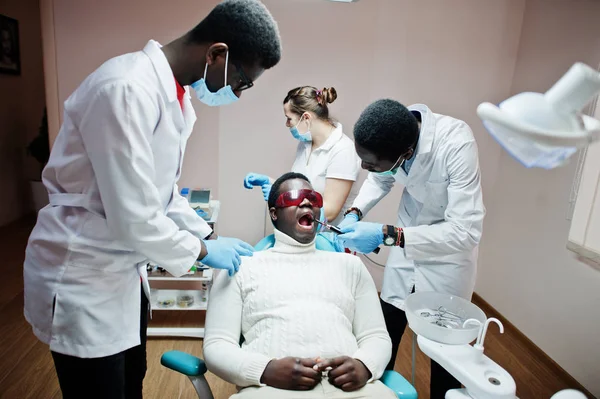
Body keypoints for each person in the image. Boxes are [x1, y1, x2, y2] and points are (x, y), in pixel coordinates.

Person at [23, 1, 281, 398]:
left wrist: (208, 234)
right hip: (85, 275)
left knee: (131, 382)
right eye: (243, 81)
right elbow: (134, 216)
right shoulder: (125, 88)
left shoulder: (175, 97)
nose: (240, 94)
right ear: (217, 53)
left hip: (122, 275)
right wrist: (201, 249)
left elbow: (161, 196)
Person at [336, 100, 485, 399]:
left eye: (371, 162)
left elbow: (466, 231)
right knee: (386, 329)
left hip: (448, 259)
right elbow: (379, 179)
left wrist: (388, 234)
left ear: (405, 153)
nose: (365, 168)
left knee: (446, 356)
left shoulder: (455, 143)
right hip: (406, 252)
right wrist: (354, 212)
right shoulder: (391, 137)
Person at [204, 172, 396, 399]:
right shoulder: (240, 268)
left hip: (355, 391)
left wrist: (364, 365)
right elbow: (217, 345)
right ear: (274, 214)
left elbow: (376, 336)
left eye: (313, 198)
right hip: (270, 391)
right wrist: (266, 370)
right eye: (293, 197)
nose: (306, 202)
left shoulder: (350, 266)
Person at [243, 86, 361, 225]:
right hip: (303, 231)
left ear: (306, 117)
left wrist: (284, 198)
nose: (287, 124)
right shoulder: (306, 144)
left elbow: (329, 211)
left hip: (329, 238)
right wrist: (272, 183)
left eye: (289, 119)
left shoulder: (343, 150)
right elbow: (301, 189)